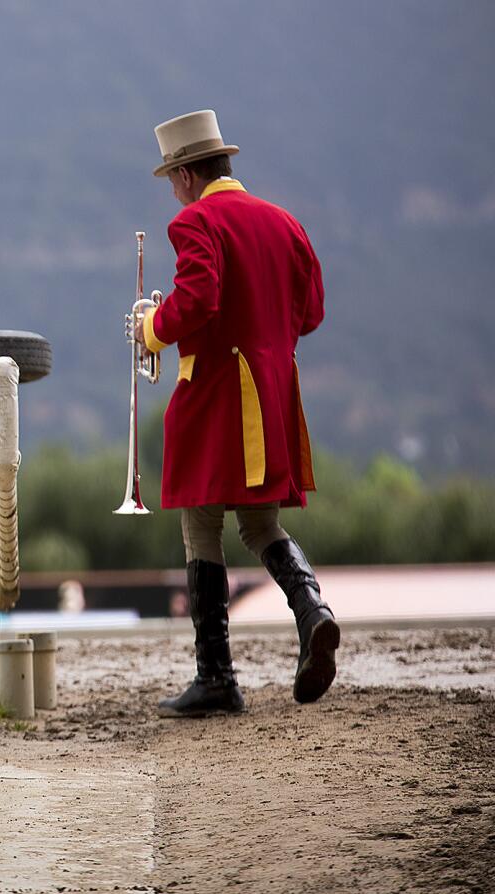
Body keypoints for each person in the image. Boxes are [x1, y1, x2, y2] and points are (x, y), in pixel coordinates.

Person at [137, 110, 340, 718]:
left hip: (217, 397)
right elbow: (310, 314)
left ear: (190, 173)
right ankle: (313, 611)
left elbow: (197, 300)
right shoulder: (286, 223)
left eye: (174, 176)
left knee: (201, 527)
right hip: (273, 395)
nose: (173, 189)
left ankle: (217, 678)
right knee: (259, 526)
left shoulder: (194, 221)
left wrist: (151, 328)